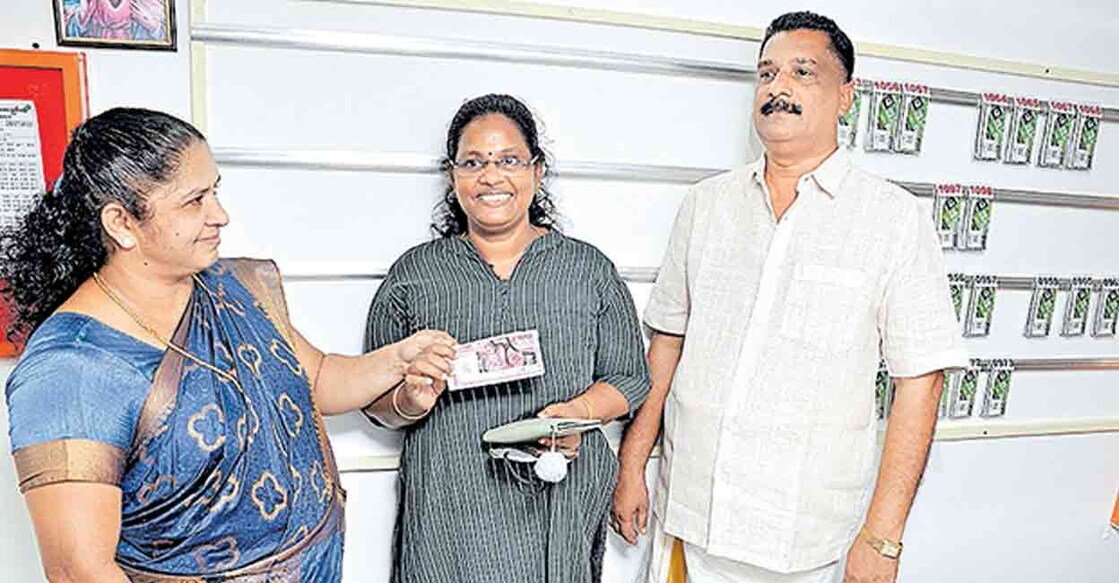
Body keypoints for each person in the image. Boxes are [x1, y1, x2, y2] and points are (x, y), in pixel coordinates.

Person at [1, 107, 452, 582]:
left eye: (215, 191)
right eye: (195, 201)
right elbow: (80, 571)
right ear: (121, 223)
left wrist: (396, 361)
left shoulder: (229, 287)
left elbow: (313, 379)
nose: (221, 215)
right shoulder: (71, 367)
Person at [611, 12, 968, 583]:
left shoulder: (893, 219)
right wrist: (632, 464)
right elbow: (668, 343)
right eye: (767, 73)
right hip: (689, 520)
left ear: (846, 97)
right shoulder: (707, 206)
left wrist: (883, 538)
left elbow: (920, 381)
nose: (778, 87)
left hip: (803, 543)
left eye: (804, 72)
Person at [363, 93, 651, 583]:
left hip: (558, 497)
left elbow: (629, 378)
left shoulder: (586, 269)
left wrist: (575, 415)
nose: (491, 176)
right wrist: (410, 400)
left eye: (509, 160)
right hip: (449, 513)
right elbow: (374, 402)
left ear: (537, 172)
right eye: (473, 162)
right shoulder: (415, 274)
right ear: (452, 177)